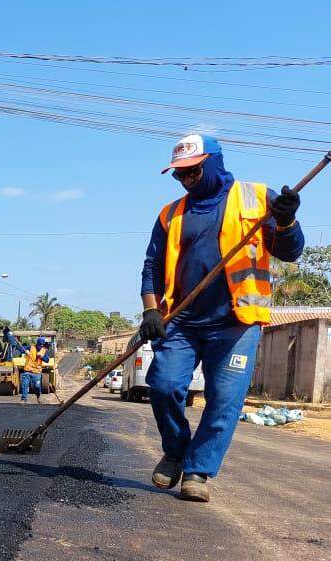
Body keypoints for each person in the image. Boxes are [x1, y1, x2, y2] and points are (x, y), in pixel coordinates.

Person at [140, 134, 303, 503]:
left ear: (214, 162)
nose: (186, 180)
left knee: (224, 399)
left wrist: (287, 219)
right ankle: (176, 449)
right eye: (179, 175)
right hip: (182, 321)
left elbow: (289, 251)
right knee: (164, 386)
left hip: (236, 322)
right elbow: (151, 265)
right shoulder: (170, 214)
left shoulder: (258, 198)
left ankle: (197, 471)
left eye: (193, 171)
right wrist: (151, 309)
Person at [20, 336, 50, 403]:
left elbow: (47, 360)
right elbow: (21, 349)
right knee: (25, 384)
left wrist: (42, 357)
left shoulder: (44, 350)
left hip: (37, 372)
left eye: (42, 345)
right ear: (38, 343)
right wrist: (25, 350)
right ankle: (24, 399)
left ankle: (38, 396)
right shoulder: (30, 347)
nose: (41, 346)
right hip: (27, 370)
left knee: (37, 386)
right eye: (40, 345)